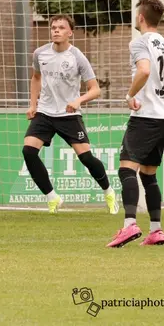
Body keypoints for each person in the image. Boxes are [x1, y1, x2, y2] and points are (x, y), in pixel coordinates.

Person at [107, 0, 164, 248]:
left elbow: (143, 70)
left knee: (126, 169)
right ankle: (156, 230)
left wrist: (130, 95)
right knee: (149, 175)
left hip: (145, 116)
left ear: (141, 17)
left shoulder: (139, 42)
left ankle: (130, 224)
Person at [23, 15, 117, 214]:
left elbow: (95, 89)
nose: (56, 30)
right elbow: (36, 78)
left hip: (69, 114)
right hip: (45, 112)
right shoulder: (40, 53)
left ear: (69, 33)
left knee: (86, 158)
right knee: (28, 151)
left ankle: (109, 191)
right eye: (53, 27)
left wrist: (77, 101)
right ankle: (52, 197)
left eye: (61, 28)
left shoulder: (77, 57)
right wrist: (33, 105)